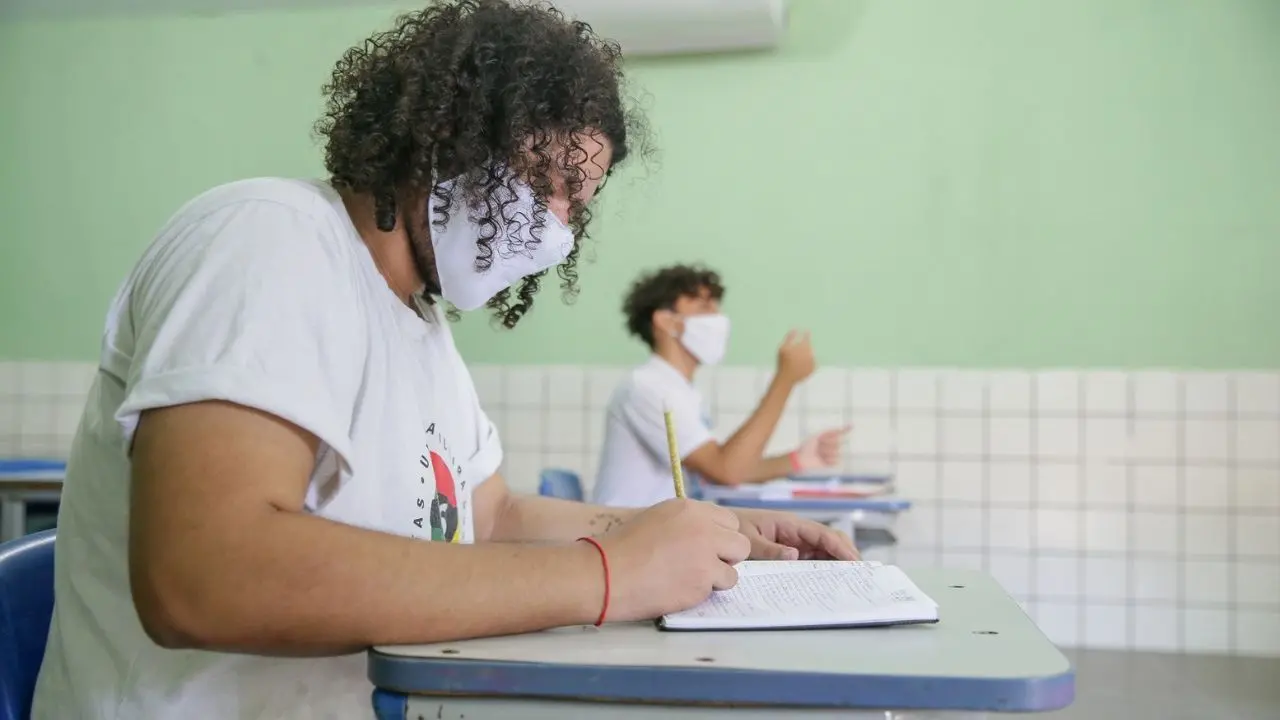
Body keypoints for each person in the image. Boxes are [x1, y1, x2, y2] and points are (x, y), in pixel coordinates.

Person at [31, 3, 856, 719]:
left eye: (580, 204)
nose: (560, 225)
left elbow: (490, 517)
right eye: (548, 180)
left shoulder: (420, 325)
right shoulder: (268, 238)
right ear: (455, 130)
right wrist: (609, 575)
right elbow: (204, 573)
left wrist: (706, 535)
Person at [592, 264, 851, 508]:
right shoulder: (647, 389)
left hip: (659, 537)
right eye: (704, 307)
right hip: (630, 544)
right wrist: (785, 379)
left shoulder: (681, 390)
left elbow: (719, 470)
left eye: (717, 306)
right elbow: (727, 470)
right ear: (665, 321)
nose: (717, 318)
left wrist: (795, 460)